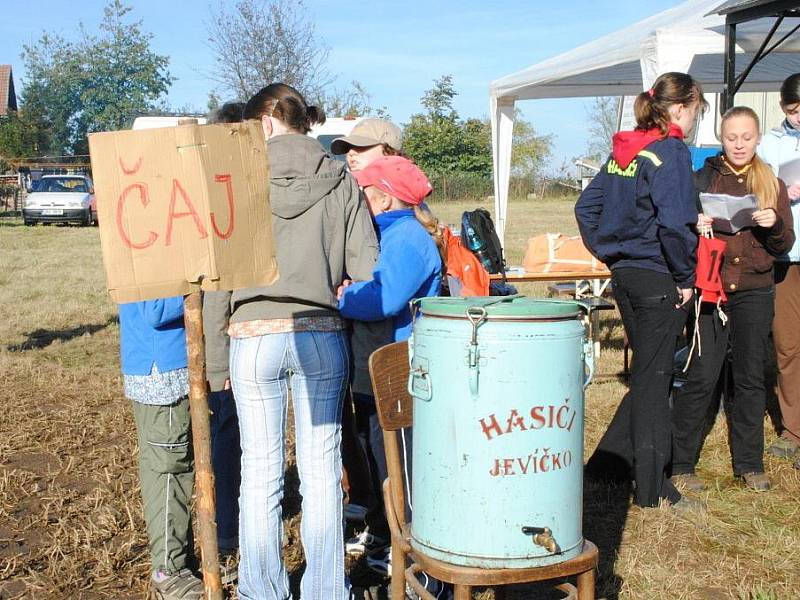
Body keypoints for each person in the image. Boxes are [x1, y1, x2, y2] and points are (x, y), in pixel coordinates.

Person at [226, 82, 379, 600]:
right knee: (320, 471)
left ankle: (260, 589)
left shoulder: (238, 178)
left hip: (250, 334)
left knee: (260, 470)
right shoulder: (341, 179)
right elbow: (366, 266)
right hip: (320, 331)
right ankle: (326, 590)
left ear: (265, 122)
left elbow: (214, 272)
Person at [575, 72, 707, 509]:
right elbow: (675, 223)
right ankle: (653, 489)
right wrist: (685, 276)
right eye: (697, 111)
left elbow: (585, 207)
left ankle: (607, 467)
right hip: (657, 278)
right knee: (654, 383)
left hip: (627, 278)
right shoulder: (669, 151)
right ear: (682, 108)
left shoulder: (624, 153)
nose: (693, 121)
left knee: (647, 375)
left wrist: (611, 252)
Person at [671, 106, 795, 492]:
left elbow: (784, 243)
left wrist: (773, 224)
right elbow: (680, 230)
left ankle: (749, 464)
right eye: (731, 137)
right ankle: (681, 464)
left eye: (746, 137)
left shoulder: (770, 181)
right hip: (714, 288)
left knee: (750, 378)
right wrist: (696, 225)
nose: (739, 144)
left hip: (756, 289)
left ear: (757, 139)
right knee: (702, 375)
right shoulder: (700, 178)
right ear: (721, 139)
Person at [337, 155, 444, 584]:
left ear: (382, 198)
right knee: (376, 456)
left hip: (398, 370)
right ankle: (386, 537)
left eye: (363, 190)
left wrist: (343, 295)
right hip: (373, 371)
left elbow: (383, 299)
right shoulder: (388, 232)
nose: (357, 196)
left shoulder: (407, 240)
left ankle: (418, 553)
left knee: (397, 464)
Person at [331, 119, 404, 565]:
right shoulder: (358, 200)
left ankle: (394, 535)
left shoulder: (398, 213)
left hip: (388, 347)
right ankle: (378, 521)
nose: (351, 154)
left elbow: (387, 293)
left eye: (362, 147)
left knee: (387, 441)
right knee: (363, 433)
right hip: (362, 344)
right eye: (347, 149)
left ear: (390, 151)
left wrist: (347, 296)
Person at [118, 298, 203, 599]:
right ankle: (169, 569)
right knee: (170, 472)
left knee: (163, 469)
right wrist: (204, 288)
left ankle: (177, 561)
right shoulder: (153, 252)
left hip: (156, 363)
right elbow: (156, 308)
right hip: (163, 369)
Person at [203, 101, 246, 583]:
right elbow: (215, 294)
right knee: (225, 438)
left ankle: (240, 525)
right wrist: (218, 361)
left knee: (242, 440)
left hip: (249, 342)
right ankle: (230, 530)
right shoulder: (213, 197)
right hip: (224, 351)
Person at [758, 73, 800, 465]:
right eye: (793, 110)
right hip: (785, 256)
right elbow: (755, 191)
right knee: (788, 345)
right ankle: (793, 429)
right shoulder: (769, 145)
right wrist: (778, 194)